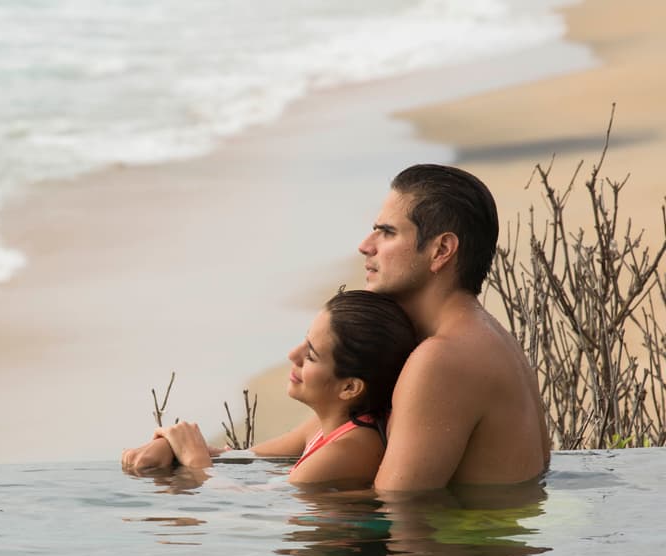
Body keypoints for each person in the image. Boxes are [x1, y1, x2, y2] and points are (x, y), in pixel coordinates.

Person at [124, 164, 551, 491]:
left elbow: (397, 506)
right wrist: (189, 451)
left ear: (441, 249)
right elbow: (305, 442)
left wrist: (201, 473)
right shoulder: (465, 336)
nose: (365, 246)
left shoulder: (442, 358)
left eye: (386, 232)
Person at [123, 289, 417, 487]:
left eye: (311, 354)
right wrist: (172, 443)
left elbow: (244, 508)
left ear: (350, 387)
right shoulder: (322, 426)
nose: (293, 354)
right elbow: (244, 458)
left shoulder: (348, 450)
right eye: (304, 340)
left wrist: (195, 462)